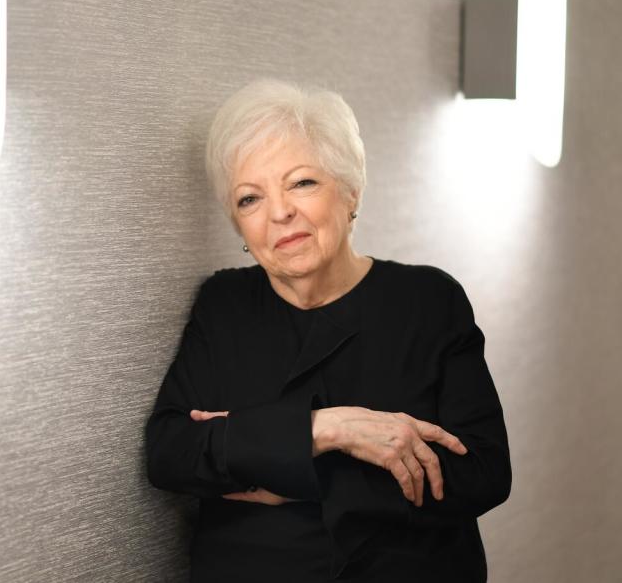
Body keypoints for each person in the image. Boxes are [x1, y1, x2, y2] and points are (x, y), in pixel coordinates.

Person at [144, 79, 511, 582]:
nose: (279, 212)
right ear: (239, 227)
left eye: (301, 183)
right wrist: (326, 430)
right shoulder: (225, 305)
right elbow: (172, 452)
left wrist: (291, 466)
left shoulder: (427, 300)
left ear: (351, 190)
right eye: (250, 199)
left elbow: (482, 472)